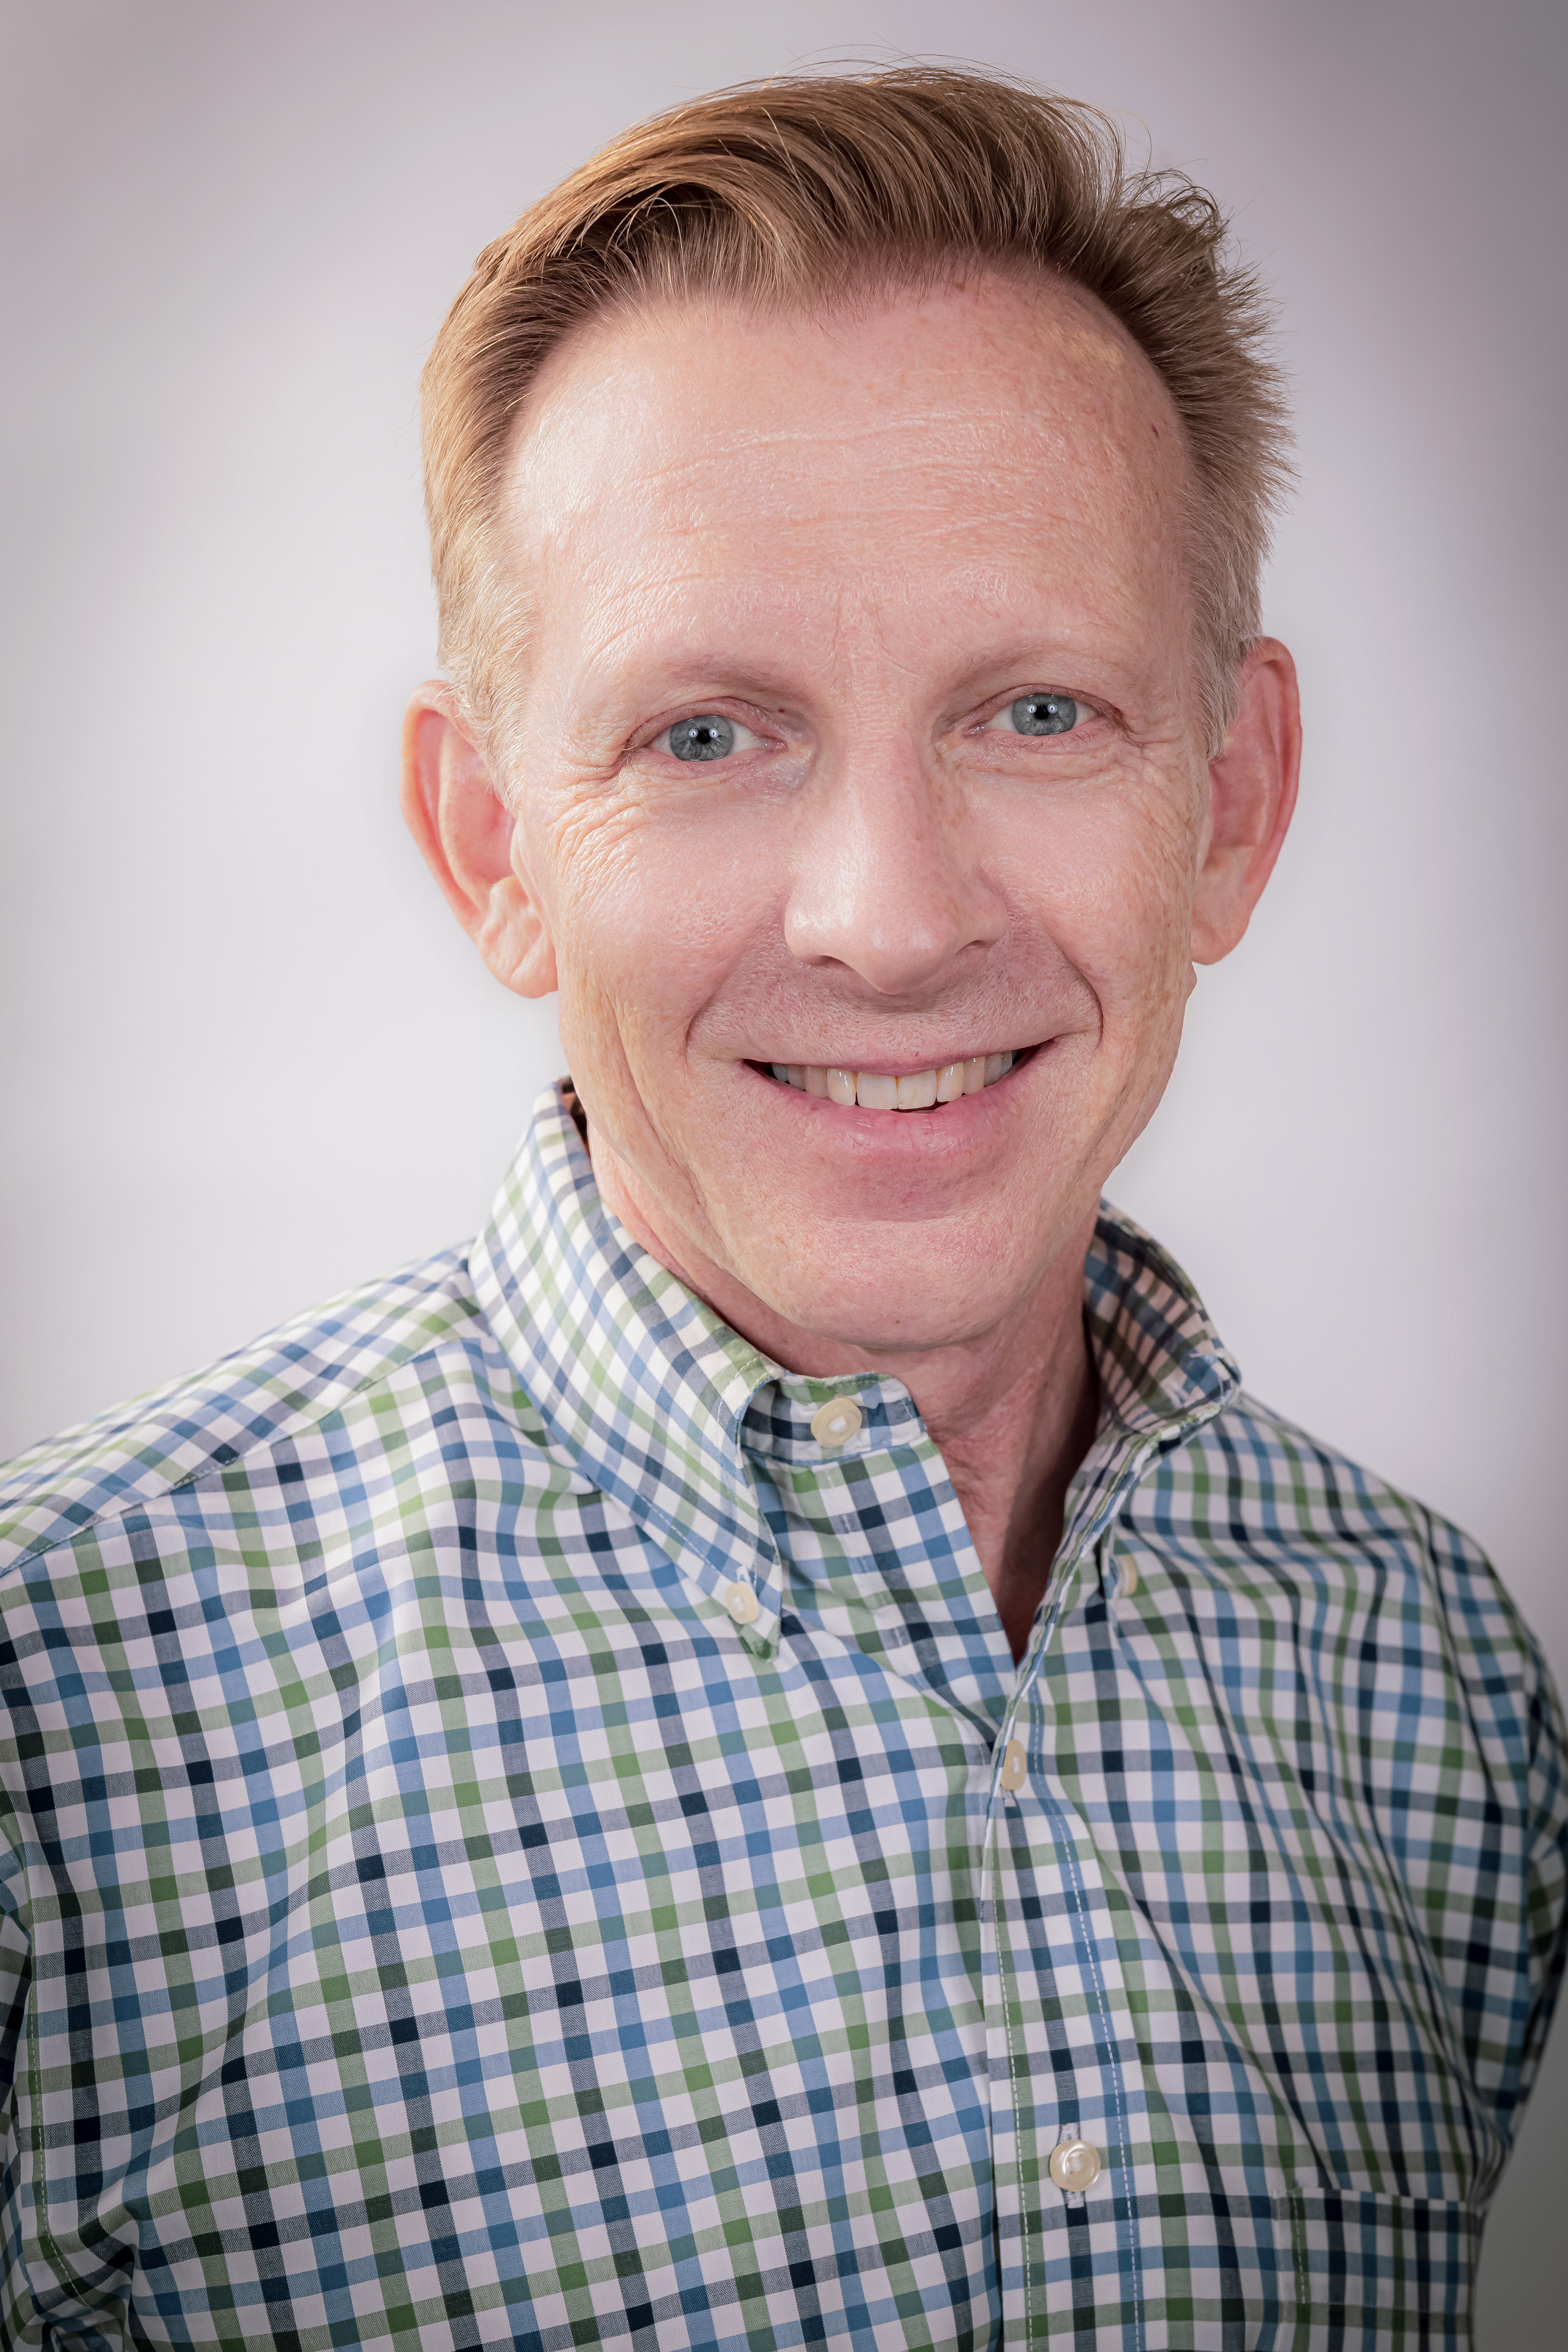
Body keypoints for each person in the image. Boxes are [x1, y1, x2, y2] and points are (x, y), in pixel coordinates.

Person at [1, 64, 1561, 2351]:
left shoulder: (1435, 1686)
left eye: (1038, 712)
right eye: (708, 736)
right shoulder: (57, 1735)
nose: (890, 923)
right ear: (493, 847)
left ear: (1233, 804)